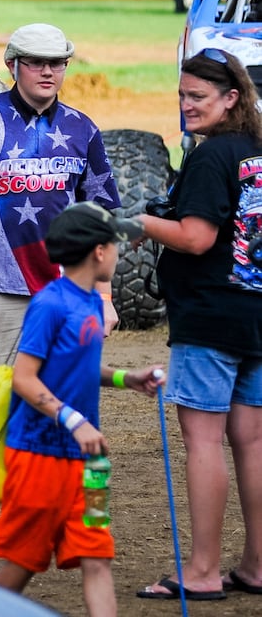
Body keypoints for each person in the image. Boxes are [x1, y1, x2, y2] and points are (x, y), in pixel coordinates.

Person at [0, 23, 122, 559]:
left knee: (60, 400)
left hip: (64, 294)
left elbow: (103, 219)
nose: (48, 71)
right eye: (35, 61)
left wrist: (102, 296)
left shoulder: (83, 128)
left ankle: (45, 511)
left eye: (57, 62)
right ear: (12, 63)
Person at [0, 202, 163, 617]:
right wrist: (75, 420)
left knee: (97, 556)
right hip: (39, 458)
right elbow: (25, 378)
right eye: (116, 244)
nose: (121, 253)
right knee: (21, 564)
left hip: (88, 463)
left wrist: (126, 378)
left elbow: (76, 366)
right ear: (99, 252)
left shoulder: (90, 304)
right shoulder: (51, 304)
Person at [134, 47, 262, 601]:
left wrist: (136, 222)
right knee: (252, 442)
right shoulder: (256, 150)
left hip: (210, 318)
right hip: (255, 313)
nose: (186, 106)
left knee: (204, 441)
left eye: (198, 97)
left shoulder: (212, 158)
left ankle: (204, 571)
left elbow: (196, 237)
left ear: (231, 98)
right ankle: (257, 566)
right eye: (182, 94)